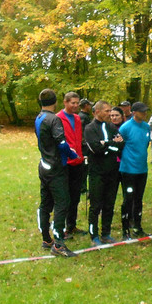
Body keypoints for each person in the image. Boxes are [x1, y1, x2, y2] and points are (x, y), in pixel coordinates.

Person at [35, 89, 78, 257]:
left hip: (44, 165)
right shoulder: (54, 119)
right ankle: (58, 243)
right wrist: (73, 154)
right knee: (62, 203)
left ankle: (46, 239)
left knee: (45, 203)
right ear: (56, 102)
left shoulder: (39, 118)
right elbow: (61, 143)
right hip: (55, 168)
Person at [83, 101, 124, 246]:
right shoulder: (90, 128)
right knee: (95, 205)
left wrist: (105, 144)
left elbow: (121, 145)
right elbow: (95, 149)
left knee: (109, 204)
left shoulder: (111, 127)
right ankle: (94, 235)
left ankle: (106, 233)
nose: (109, 114)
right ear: (97, 111)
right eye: (106, 111)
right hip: (97, 173)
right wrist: (111, 144)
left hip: (112, 172)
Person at [118, 101, 152, 239]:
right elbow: (119, 145)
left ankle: (137, 227)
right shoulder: (125, 127)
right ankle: (125, 229)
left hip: (142, 169)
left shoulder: (146, 127)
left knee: (138, 199)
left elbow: (146, 144)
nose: (144, 113)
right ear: (134, 112)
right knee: (128, 199)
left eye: (145, 111)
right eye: (142, 111)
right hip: (128, 170)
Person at [57, 92, 86, 237]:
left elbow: (79, 138)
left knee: (75, 196)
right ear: (65, 102)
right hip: (65, 163)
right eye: (72, 103)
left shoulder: (77, 118)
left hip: (78, 162)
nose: (75, 105)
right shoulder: (58, 118)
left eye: (77, 103)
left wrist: (82, 154)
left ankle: (71, 225)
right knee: (64, 197)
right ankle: (61, 228)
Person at [78, 98, 93, 194]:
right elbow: (83, 132)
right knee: (84, 167)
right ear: (86, 106)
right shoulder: (83, 117)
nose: (91, 107)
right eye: (89, 105)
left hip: (84, 145)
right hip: (84, 146)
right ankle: (82, 187)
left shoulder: (83, 116)